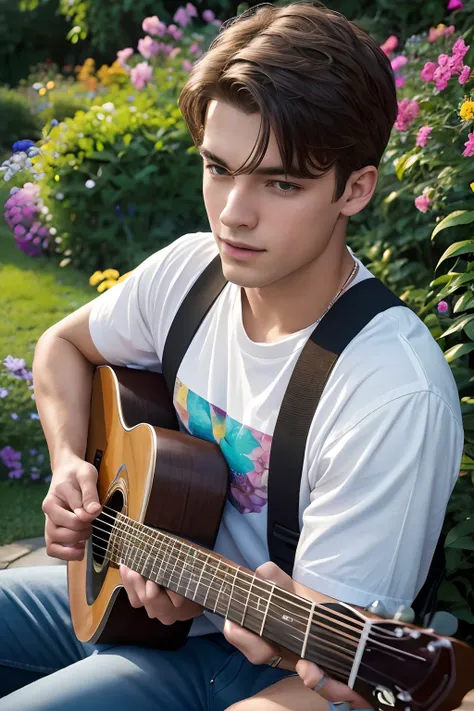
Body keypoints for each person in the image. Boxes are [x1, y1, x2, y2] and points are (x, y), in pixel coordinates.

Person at [0, 2, 463, 710]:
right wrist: (71, 462)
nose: (233, 214)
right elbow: (61, 344)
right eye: (218, 168)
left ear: (357, 188)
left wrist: (242, 621)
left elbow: (334, 688)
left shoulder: (391, 391)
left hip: (248, 667)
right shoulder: (190, 273)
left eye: (281, 183)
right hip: (125, 595)